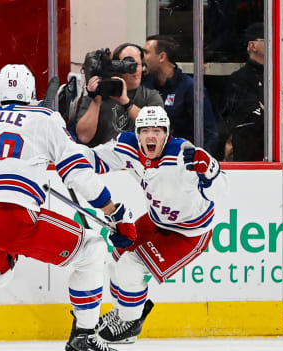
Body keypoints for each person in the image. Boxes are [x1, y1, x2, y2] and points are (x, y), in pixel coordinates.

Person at [0, 64, 137, 351]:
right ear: (31, 91)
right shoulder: (45, 117)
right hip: (14, 212)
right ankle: (84, 338)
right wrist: (114, 212)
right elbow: (76, 173)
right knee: (92, 249)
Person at [79, 106, 227, 344]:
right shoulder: (129, 147)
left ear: (166, 134)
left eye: (157, 131)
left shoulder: (182, 156)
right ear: (137, 134)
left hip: (189, 232)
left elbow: (220, 193)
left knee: (130, 266)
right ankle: (123, 312)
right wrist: (62, 153)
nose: (151, 136)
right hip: (156, 220)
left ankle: (130, 323)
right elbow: (93, 159)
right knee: (116, 257)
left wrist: (210, 171)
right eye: (145, 130)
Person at [220, 22, 283, 161]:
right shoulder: (239, 79)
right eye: (269, 39)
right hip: (252, 161)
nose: (276, 43)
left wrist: (270, 110)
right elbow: (255, 119)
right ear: (252, 46)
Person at [75, 43, 163, 147]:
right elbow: (84, 137)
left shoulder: (150, 96)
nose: (134, 70)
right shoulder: (95, 97)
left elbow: (158, 129)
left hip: (138, 159)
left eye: (137, 64)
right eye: (128, 64)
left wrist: (126, 102)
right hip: (104, 158)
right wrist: (96, 100)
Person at [142, 34, 219, 154]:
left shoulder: (190, 88)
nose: (143, 58)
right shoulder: (145, 84)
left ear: (161, 57)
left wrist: (199, 161)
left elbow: (209, 133)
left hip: (181, 161)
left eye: (146, 53)